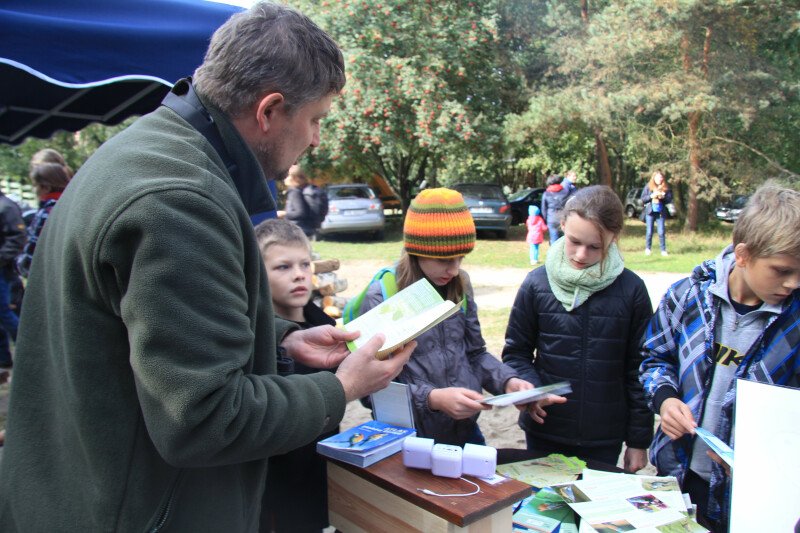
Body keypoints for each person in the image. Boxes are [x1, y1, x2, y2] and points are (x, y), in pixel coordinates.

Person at [0, 4, 415, 531]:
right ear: (269, 111)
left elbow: (143, 337)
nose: (315, 140)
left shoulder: (147, 151)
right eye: (314, 121)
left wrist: (279, 342)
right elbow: (204, 420)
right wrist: (342, 389)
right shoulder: (180, 202)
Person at [640, 182, 800, 531]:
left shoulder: (796, 322)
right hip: (682, 473)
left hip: (757, 493)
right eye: (783, 270)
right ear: (742, 255)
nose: (793, 283)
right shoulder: (687, 296)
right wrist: (665, 401)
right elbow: (654, 358)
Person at [358, 188, 533, 446]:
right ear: (416, 250)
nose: (454, 269)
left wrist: (508, 381)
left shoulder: (459, 284)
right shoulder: (382, 297)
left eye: (461, 257)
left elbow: (475, 353)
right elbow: (368, 389)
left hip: (465, 433)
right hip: (407, 440)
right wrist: (433, 399)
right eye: (444, 259)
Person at [503, 186, 653, 470]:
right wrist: (531, 391)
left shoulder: (632, 291)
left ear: (614, 238)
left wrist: (638, 441)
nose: (581, 254)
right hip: (544, 428)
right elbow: (516, 354)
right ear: (561, 225)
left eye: (595, 246)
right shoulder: (537, 283)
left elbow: (641, 369)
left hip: (604, 438)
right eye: (574, 241)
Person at [253, 218, 336, 533]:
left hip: (322, 467)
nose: (300, 274)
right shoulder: (258, 339)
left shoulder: (325, 324)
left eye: (305, 264)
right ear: (258, 275)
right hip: (277, 480)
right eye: (283, 267)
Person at [15, 162, 71, 278]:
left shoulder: (47, 213)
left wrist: (21, 264)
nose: (34, 189)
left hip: (46, 278)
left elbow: (33, 256)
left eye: (35, 185)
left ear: (46, 187)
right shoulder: (72, 205)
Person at [0, 187, 25, 369]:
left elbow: (17, 238)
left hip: (4, 270)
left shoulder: (6, 207)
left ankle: (28, 349)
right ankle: (3, 358)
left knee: (7, 313)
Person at [640, 170, 672, 256]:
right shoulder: (648, 186)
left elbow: (669, 199)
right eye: (658, 177)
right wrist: (651, 196)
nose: (659, 179)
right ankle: (648, 249)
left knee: (661, 231)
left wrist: (663, 196)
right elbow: (643, 198)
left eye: (661, 177)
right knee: (649, 231)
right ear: (654, 178)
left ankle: (663, 250)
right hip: (650, 211)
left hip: (660, 211)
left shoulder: (665, 187)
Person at [283, 164, 317, 238]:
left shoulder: (294, 192)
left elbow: (300, 213)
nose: (285, 178)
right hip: (305, 229)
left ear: (295, 178)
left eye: (288, 175)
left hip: (296, 230)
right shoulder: (303, 190)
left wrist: (283, 214)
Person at [541, 174, 572, 244]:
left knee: (554, 240)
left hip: (551, 218)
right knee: (564, 240)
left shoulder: (546, 194)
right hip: (563, 217)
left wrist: (546, 219)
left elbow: (544, 209)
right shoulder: (566, 192)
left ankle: (554, 253)